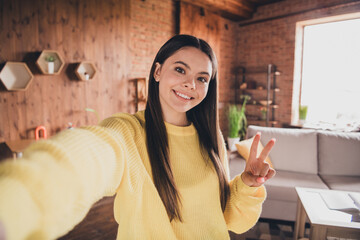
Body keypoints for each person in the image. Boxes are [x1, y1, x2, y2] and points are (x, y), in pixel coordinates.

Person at [0, 34, 276, 240]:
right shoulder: (128, 131)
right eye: (180, 69)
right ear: (157, 72)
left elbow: (229, 220)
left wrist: (248, 185)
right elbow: (86, 159)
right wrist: (17, 202)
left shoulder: (210, 137)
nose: (190, 84)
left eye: (202, 78)